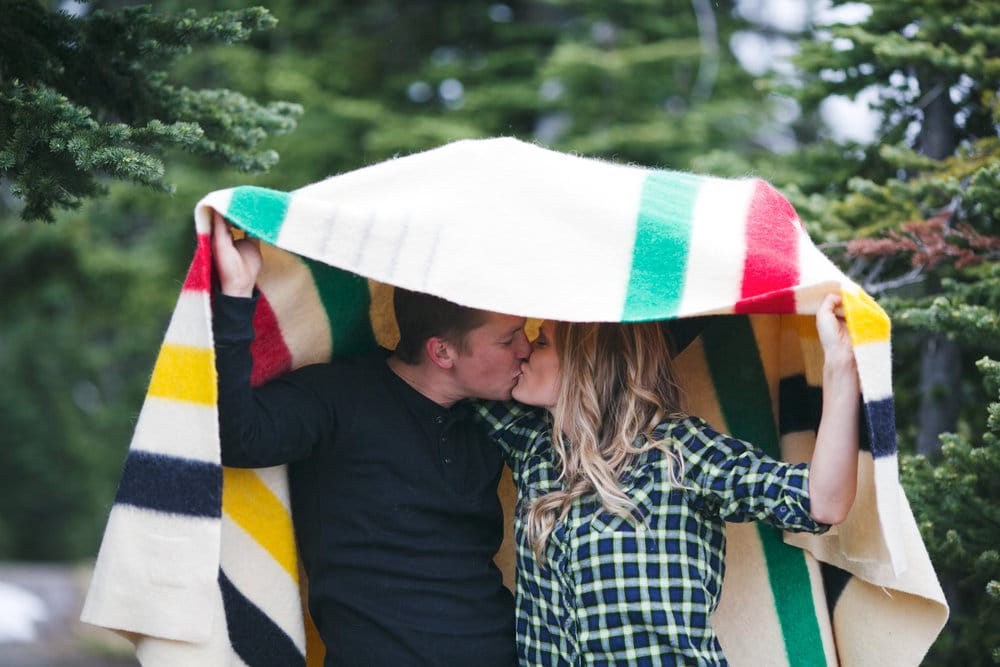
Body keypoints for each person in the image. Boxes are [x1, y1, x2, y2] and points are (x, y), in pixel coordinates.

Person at [210, 213, 529, 666]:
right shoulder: (336, 396)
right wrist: (236, 297)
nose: (525, 349)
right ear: (442, 352)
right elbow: (237, 437)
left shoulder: (496, 418)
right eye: (508, 339)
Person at [476, 295, 860, 666]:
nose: (524, 350)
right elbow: (445, 367)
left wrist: (839, 365)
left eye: (541, 342)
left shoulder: (678, 451)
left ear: (587, 364)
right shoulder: (532, 446)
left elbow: (820, 501)